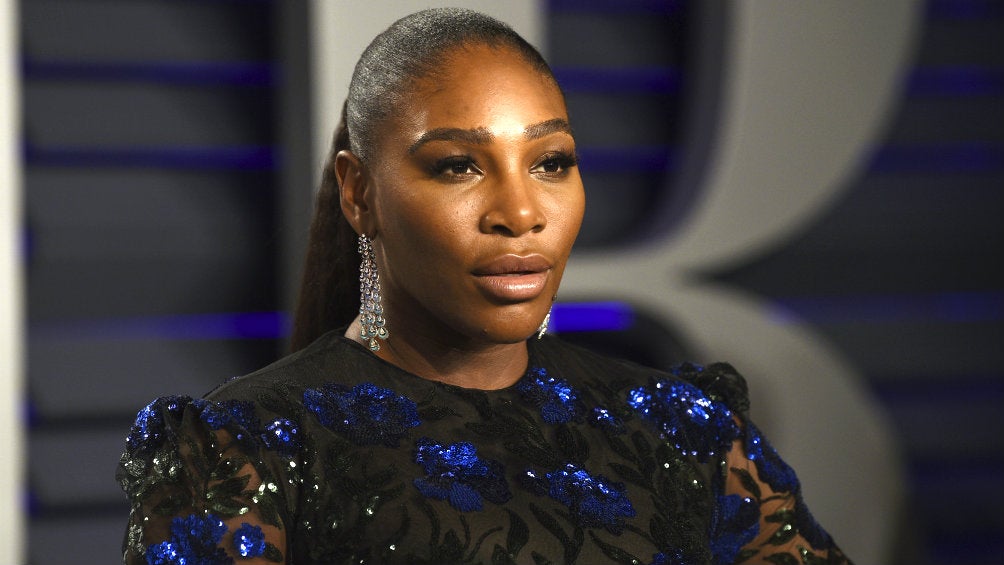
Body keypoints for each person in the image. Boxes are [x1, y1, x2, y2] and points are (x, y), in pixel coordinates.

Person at [117, 8, 852, 565]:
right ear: (359, 192)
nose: (521, 213)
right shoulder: (243, 447)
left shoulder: (681, 431)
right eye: (459, 166)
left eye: (551, 162)